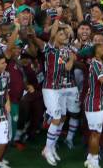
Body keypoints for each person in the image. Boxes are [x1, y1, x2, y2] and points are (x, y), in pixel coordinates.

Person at [27, 26, 76, 166]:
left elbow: (68, 68)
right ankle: (47, 149)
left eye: (65, 34)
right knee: (56, 117)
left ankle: (52, 145)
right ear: (55, 38)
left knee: (62, 117)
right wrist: (33, 36)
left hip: (61, 88)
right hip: (49, 88)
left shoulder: (66, 51)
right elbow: (39, 42)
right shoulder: (49, 48)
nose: (65, 36)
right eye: (61, 34)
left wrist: (71, 59)